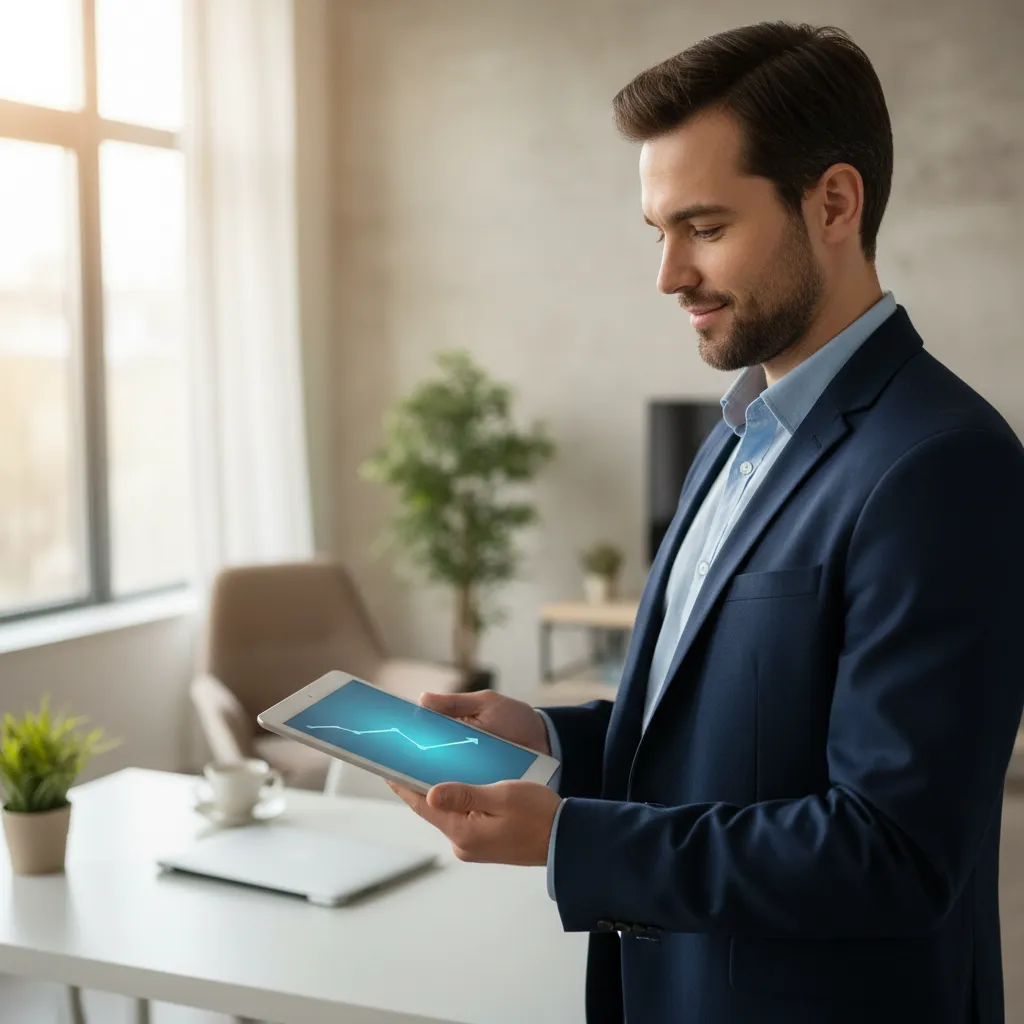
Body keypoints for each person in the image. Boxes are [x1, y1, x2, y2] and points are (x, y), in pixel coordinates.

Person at [387, 20, 1024, 1024]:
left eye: (705, 226)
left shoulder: (943, 463)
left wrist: (568, 840)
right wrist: (545, 739)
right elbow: (721, 736)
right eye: (659, 232)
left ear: (834, 203)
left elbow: (894, 854)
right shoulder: (732, 437)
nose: (667, 273)